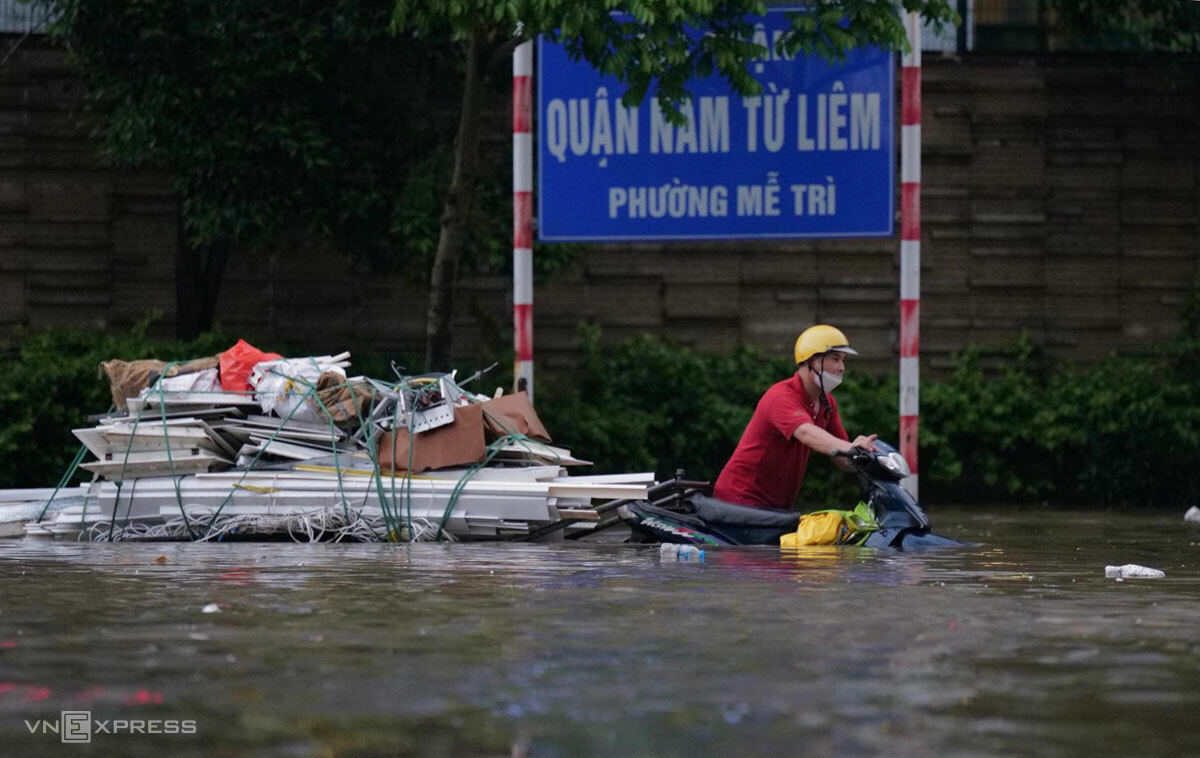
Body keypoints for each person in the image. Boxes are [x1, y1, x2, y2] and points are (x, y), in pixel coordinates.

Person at [713, 325, 879, 510]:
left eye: (843, 360)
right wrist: (850, 447)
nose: (842, 368)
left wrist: (868, 457)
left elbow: (843, 458)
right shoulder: (781, 397)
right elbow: (807, 433)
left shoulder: (827, 403)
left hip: (775, 507)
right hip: (740, 500)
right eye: (835, 359)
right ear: (811, 362)